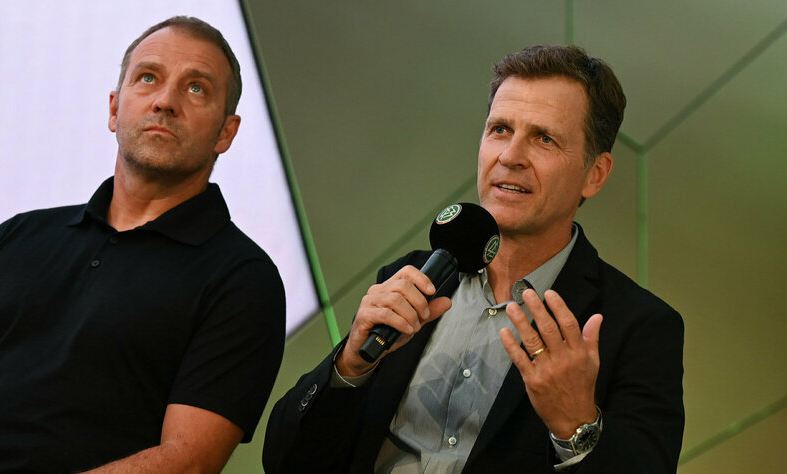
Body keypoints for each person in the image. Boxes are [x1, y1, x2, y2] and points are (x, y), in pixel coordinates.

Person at [0, 16, 286, 473]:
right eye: (148, 78)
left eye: (196, 88)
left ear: (226, 132)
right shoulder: (15, 239)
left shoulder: (243, 280)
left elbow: (188, 460)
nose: (165, 101)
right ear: (114, 108)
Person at [263, 45, 684, 473]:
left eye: (544, 138)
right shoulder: (412, 278)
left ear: (595, 174)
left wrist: (576, 426)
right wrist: (350, 367)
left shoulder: (639, 327)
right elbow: (284, 461)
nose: (510, 156)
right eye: (500, 129)